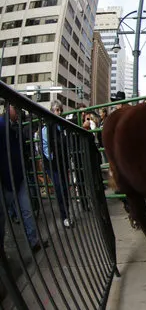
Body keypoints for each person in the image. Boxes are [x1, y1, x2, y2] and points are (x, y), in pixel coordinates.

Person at [0, 105, 48, 253]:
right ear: (9, 109)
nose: (19, 113)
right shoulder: (2, 125)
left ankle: (33, 242)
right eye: (16, 109)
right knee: (2, 216)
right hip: (6, 179)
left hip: (18, 176)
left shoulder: (16, 127)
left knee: (26, 210)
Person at [42, 100, 74, 228]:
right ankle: (65, 216)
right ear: (52, 111)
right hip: (53, 165)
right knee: (60, 190)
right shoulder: (47, 127)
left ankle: (66, 214)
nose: (59, 112)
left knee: (65, 190)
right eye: (57, 110)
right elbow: (45, 147)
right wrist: (53, 159)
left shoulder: (63, 126)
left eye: (60, 110)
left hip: (62, 163)